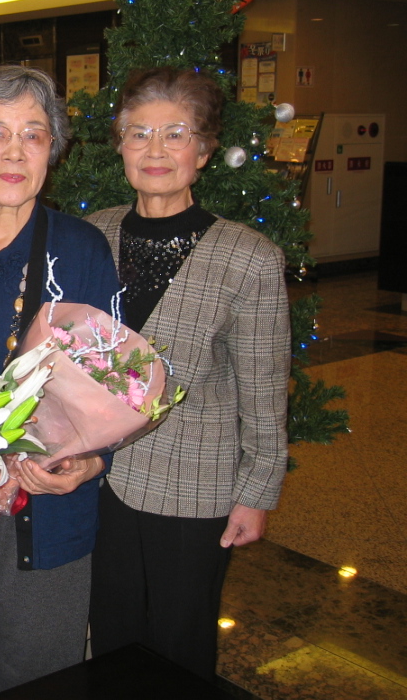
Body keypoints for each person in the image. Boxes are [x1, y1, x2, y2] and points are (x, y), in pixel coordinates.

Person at [86, 66, 290, 680]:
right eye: (139, 133)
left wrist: (256, 493)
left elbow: (263, 390)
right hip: (96, 480)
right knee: (110, 632)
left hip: (194, 486)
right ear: (120, 146)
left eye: (175, 135)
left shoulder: (249, 258)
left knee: (180, 642)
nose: (155, 150)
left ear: (202, 152)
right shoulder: (92, 236)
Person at [0, 64, 120, 700]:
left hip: (47, 503)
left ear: (53, 151)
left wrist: (91, 459)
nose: (14, 151)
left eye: (34, 135)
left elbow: (115, 383)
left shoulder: (82, 248)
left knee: (44, 671)